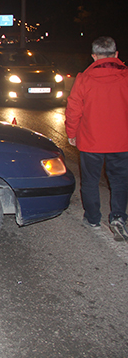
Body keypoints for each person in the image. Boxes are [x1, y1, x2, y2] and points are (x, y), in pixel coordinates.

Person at [65, 36, 128, 231]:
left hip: (91, 141)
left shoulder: (84, 79)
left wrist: (71, 133)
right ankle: (118, 216)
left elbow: (74, 109)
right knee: (119, 180)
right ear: (116, 54)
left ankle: (92, 218)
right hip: (121, 141)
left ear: (94, 56)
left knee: (90, 180)